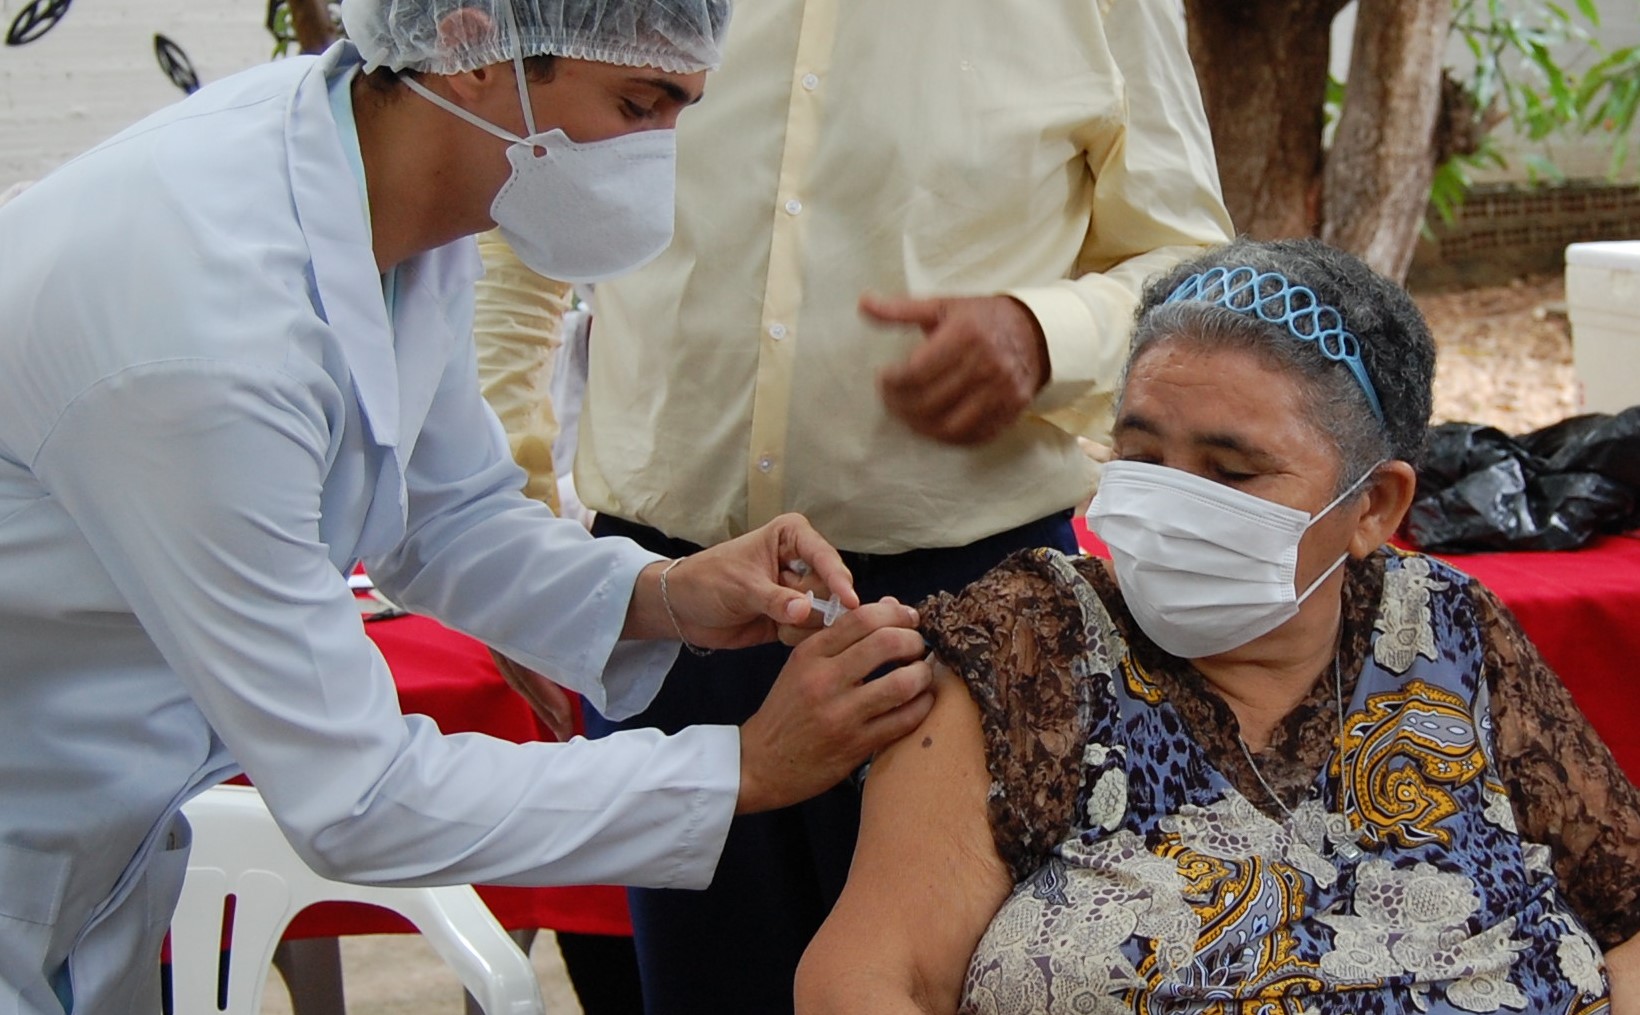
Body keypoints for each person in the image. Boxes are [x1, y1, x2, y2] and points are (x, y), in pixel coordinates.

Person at [0, 0, 940, 1010]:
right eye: (636, 102)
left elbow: (441, 515)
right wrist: (742, 769)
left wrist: (664, 594)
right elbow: (358, 797)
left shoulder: (379, 183)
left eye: (680, 109)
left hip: (81, 858)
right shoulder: (203, 327)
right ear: (465, 41)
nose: (656, 156)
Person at [470, 1, 1236, 1008]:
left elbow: (1187, 266)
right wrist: (510, 546)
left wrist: (1041, 333)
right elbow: (516, 220)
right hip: (669, 615)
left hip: (977, 616)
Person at [795, 237, 1640, 1015]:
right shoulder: (1029, 646)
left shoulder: (1451, 630)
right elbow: (869, 975)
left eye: (1231, 472)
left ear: (1372, 507)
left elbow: (1631, 918)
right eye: (1142, 456)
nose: (1170, 505)